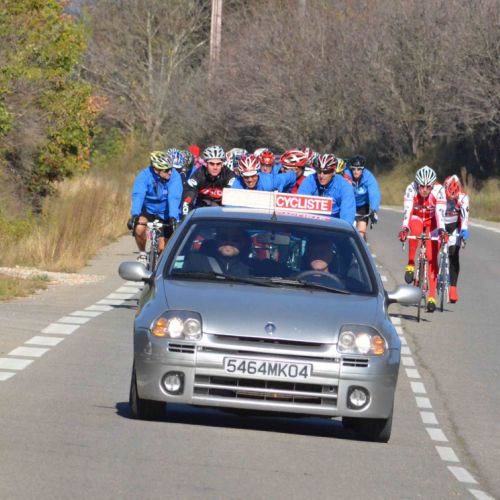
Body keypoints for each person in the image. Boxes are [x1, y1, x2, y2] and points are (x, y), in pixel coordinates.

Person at [398, 165, 447, 312]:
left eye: (428, 187)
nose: (424, 190)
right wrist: (404, 228)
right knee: (415, 230)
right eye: (422, 186)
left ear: (433, 185)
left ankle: (432, 295)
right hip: (417, 217)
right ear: (417, 184)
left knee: (432, 257)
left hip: (433, 222)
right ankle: (411, 263)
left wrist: (442, 231)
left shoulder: (439, 191)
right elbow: (407, 211)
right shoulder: (411, 188)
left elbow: (440, 214)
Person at [129, 151, 182, 265]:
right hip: (149, 209)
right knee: (139, 228)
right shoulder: (144, 176)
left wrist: (173, 216)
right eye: (166, 170)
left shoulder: (174, 177)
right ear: (156, 170)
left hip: (166, 211)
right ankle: (143, 254)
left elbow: (174, 197)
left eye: (171, 168)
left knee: (162, 249)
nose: (170, 172)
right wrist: (135, 214)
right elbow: (138, 195)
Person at [298, 153, 356, 224]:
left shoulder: (344, 186)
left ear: (333, 172)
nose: (321, 176)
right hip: (312, 223)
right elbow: (300, 206)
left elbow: (347, 217)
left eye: (326, 172)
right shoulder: (309, 180)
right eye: (319, 171)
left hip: (335, 224)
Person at [182, 145, 235, 216]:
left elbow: (234, 196)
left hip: (222, 213)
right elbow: (188, 196)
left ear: (222, 164)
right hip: (201, 211)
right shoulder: (199, 174)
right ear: (206, 164)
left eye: (218, 164)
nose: (215, 167)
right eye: (212, 164)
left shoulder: (228, 174)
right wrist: (185, 216)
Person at [183, 226, 252, 277]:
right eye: (223, 238)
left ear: (243, 243)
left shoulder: (254, 267)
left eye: (235, 239)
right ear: (215, 241)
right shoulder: (196, 261)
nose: (228, 242)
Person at [443, 175, 470, 303]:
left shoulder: (463, 198)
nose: (451, 200)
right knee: (432, 247)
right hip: (440, 225)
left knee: (453, 253)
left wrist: (464, 230)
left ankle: (453, 287)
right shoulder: (439, 194)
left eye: (453, 198)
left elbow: (464, 216)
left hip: (455, 226)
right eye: (449, 198)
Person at [344, 155, 381, 240]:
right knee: (346, 229)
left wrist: (374, 210)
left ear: (363, 169)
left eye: (359, 169)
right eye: (353, 169)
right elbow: (342, 190)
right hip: (349, 204)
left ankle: (361, 243)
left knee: (361, 231)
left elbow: (374, 193)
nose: (356, 171)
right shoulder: (346, 174)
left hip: (362, 205)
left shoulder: (369, 177)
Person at [232, 154, 296, 192]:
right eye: (246, 177)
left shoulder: (270, 181)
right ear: (241, 175)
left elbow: (292, 176)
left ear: (258, 173)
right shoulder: (237, 184)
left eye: (253, 176)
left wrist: (285, 193)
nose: (250, 180)